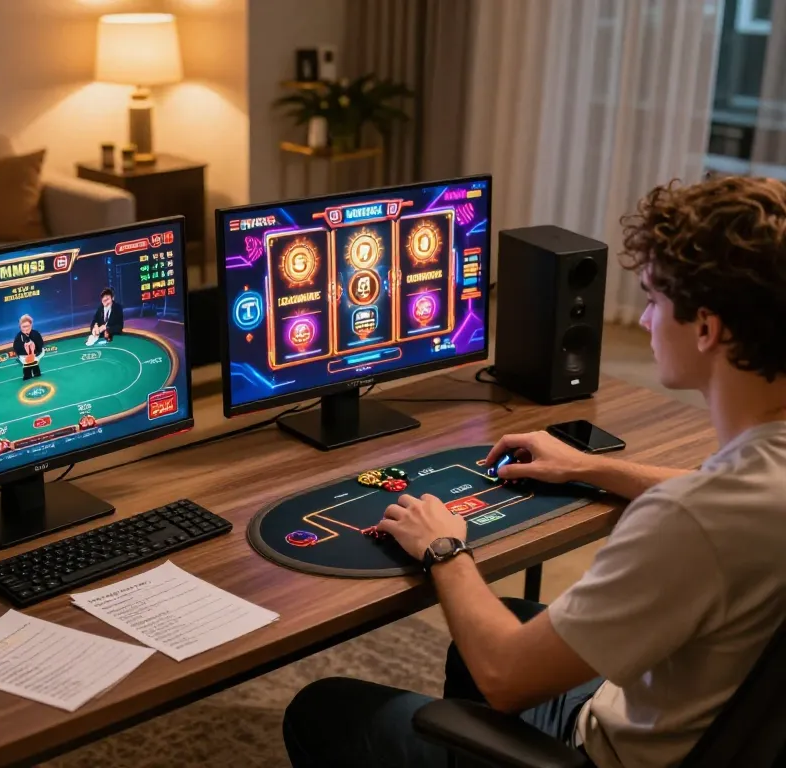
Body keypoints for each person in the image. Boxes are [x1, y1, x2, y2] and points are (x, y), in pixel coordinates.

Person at [283, 176, 786, 768]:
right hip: (701, 716)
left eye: (652, 300)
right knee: (470, 646)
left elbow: (506, 676)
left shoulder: (688, 522)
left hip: (609, 748)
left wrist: (443, 549)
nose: (646, 321)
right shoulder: (749, 486)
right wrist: (593, 467)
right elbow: (717, 502)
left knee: (324, 710)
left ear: (707, 328)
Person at [12, 314, 44, 381]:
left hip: (35, 355)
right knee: (27, 369)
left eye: (28, 326)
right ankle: (27, 376)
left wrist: (36, 353)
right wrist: (23, 356)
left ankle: (37, 374)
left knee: (35, 367)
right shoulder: (18, 337)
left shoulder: (36, 334)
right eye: (24, 327)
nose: (26, 328)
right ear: (20, 327)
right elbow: (16, 347)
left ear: (31, 325)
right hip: (24, 356)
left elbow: (40, 344)